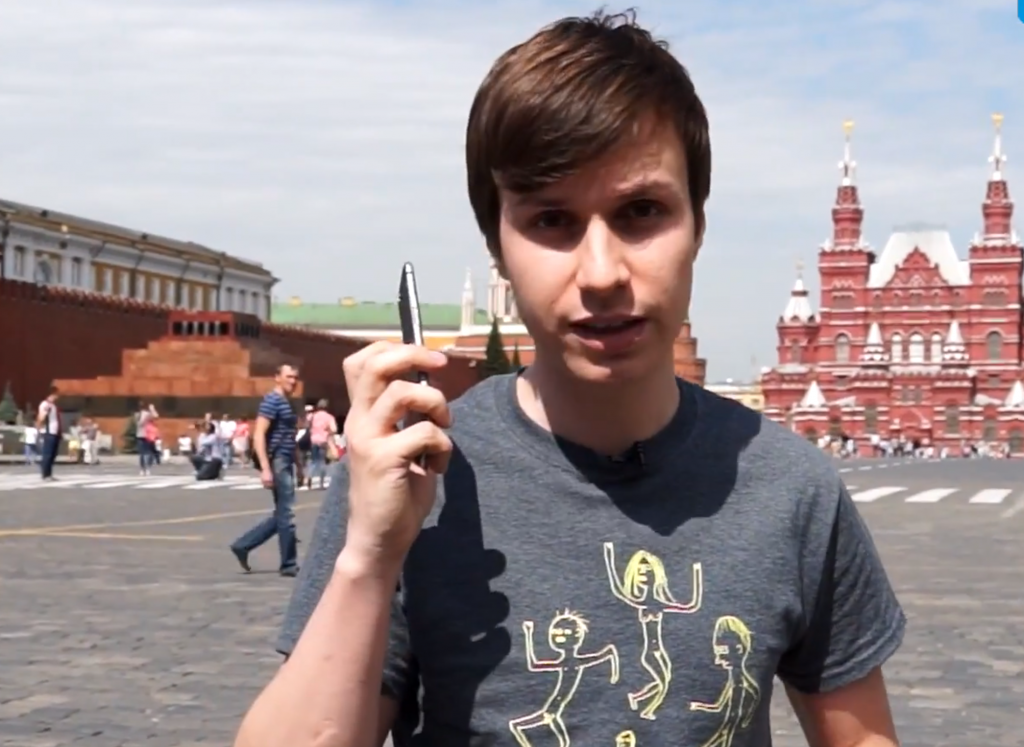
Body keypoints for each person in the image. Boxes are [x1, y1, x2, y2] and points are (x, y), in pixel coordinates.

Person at [234, 10, 904, 747]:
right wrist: (369, 554)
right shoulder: (417, 475)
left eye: (641, 211)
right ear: (498, 247)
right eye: (552, 220)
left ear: (698, 227)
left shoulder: (791, 489)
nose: (602, 272)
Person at [229, 364, 301, 577]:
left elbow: (290, 437)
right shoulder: (272, 400)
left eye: (295, 378)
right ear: (277, 377)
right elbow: (259, 434)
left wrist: (300, 466)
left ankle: (243, 545)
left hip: (286, 460)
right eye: (288, 377)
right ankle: (288, 564)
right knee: (287, 513)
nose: (293, 381)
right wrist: (265, 468)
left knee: (282, 514)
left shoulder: (288, 403)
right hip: (277, 461)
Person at [307, 399, 338, 491]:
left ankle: (309, 478)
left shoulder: (312, 416)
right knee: (322, 462)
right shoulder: (329, 417)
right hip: (323, 440)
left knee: (313, 461)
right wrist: (328, 432)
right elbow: (334, 429)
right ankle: (321, 483)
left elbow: (307, 424)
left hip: (313, 440)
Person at [35, 387, 61, 481]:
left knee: (53, 454)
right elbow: (41, 417)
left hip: (55, 432)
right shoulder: (46, 404)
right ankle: (45, 474)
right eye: (56, 394)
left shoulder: (53, 405)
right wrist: (39, 429)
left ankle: (49, 474)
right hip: (49, 432)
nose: (58, 397)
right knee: (48, 454)